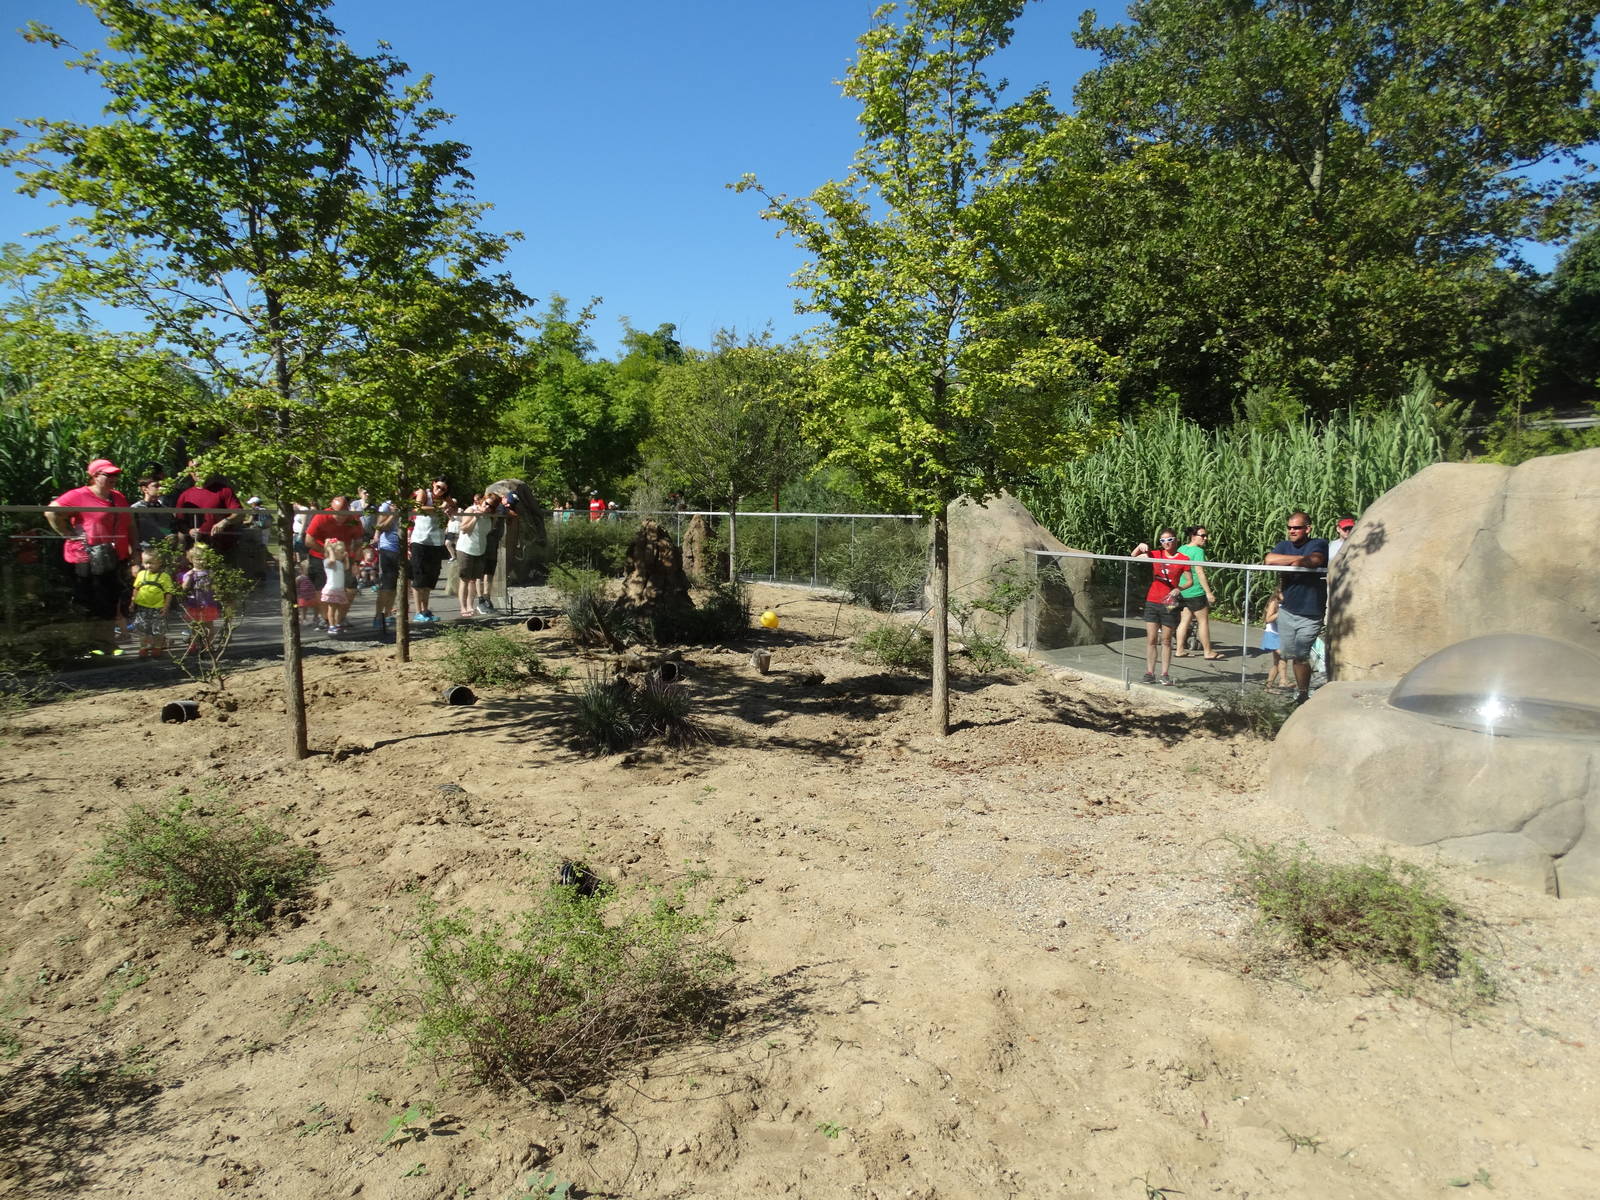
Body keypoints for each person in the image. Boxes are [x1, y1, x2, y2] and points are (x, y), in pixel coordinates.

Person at [45, 458, 136, 654]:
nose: (113, 478)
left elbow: (130, 525)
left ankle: (106, 644)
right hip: (86, 559)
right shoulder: (78, 495)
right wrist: (68, 534)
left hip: (113, 557)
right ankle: (88, 646)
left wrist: (133, 550)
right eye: (108, 475)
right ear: (94, 476)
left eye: (115, 475)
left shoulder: (118, 497)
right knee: (89, 602)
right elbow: (51, 512)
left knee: (111, 601)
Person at [1263, 510, 1330, 706]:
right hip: (1288, 610)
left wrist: (1294, 561)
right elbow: (1269, 559)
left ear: (1307, 528)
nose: (1292, 531)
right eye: (1290, 527)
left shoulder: (1318, 543)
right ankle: (1301, 694)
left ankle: (1303, 694)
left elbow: (1314, 561)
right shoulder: (1284, 545)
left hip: (1310, 611)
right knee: (1290, 654)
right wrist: (1296, 561)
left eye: (1297, 527)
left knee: (1301, 654)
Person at [1131, 528, 1189, 685]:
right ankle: (1149, 672)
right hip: (1153, 599)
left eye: (1169, 539)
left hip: (1170, 601)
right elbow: (1133, 556)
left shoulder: (1183, 558)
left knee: (1166, 639)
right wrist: (1140, 546)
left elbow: (1189, 581)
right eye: (1163, 540)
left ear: (1176, 540)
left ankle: (1165, 673)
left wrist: (1179, 589)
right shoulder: (1156, 554)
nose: (1166, 543)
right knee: (1151, 638)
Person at [1172, 525, 1223, 660]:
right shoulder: (1198, 551)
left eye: (1206, 535)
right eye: (1203, 536)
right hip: (1195, 591)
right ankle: (1208, 651)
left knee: (1185, 621)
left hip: (1183, 590)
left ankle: (1179, 649)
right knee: (1203, 622)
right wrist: (1208, 592)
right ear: (1193, 536)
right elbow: (1199, 572)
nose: (1206, 538)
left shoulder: (1182, 548)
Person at [408, 479, 454, 623]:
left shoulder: (443, 500)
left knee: (430, 578)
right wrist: (439, 508)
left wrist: (449, 505)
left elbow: (454, 506)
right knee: (418, 577)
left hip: (436, 542)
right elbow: (417, 508)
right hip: (420, 541)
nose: (440, 490)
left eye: (444, 489)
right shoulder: (424, 493)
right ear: (433, 483)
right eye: (439, 487)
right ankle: (418, 612)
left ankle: (425, 610)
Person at [175, 472, 244, 563]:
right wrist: (189, 531)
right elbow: (179, 522)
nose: (197, 472)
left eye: (200, 469)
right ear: (190, 473)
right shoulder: (185, 495)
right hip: (195, 551)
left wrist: (225, 521)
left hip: (223, 547)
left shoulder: (224, 490)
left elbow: (239, 513)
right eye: (193, 470)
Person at [303, 495, 364, 595]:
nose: (341, 517)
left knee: (351, 589)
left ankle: (340, 610)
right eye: (337, 514)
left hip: (343, 557)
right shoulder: (321, 517)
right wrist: (327, 552)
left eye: (344, 514)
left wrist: (355, 562)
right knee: (321, 589)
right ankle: (324, 610)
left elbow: (358, 542)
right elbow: (308, 540)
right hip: (320, 556)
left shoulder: (354, 520)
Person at [130, 547, 177, 658]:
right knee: (142, 630)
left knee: (158, 630)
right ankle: (143, 648)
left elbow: (169, 593)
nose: (148, 566)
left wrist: (166, 606)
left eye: (151, 563)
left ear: (159, 562)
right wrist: (132, 602)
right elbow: (136, 588)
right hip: (142, 608)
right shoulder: (141, 574)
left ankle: (157, 647)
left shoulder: (164, 577)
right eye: (146, 563)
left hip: (158, 608)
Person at [179, 543, 220, 654]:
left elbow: (215, 587)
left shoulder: (210, 572)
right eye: (198, 559)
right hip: (194, 604)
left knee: (209, 627)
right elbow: (184, 588)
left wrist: (215, 587)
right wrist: (189, 578)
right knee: (195, 627)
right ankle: (193, 645)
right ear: (191, 560)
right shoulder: (189, 573)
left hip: (208, 603)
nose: (201, 561)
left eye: (203, 559)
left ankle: (208, 644)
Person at [371, 496, 401, 632]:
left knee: (395, 585)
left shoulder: (410, 504)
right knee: (386, 585)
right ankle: (378, 615)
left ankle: (388, 613)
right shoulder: (386, 506)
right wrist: (393, 515)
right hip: (388, 548)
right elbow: (380, 526)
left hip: (403, 548)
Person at [130, 474, 178, 549]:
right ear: (145, 489)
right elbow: (131, 533)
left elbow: (171, 529)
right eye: (156, 486)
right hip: (144, 551)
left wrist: (172, 536)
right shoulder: (135, 509)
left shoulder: (165, 509)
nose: (161, 488)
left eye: (161, 486)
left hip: (164, 550)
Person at [320, 538, 352, 634]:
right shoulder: (327, 562)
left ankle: (337, 624)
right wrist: (330, 550)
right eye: (340, 552)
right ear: (333, 552)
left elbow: (347, 567)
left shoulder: (340, 563)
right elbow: (332, 560)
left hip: (339, 589)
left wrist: (346, 558)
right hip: (331, 589)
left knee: (339, 607)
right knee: (332, 609)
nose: (343, 553)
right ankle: (331, 626)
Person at [1259, 588, 1289, 691]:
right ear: (1278, 593)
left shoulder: (1288, 604)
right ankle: (1284, 681)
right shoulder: (1274, 603)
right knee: (1283, 656)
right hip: (1272, 634)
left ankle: (1268, 686)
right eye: (1283, 593)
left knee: (1276, 663)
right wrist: (1280, 612)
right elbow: (1268, 619)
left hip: (1281, 635)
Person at [294, 559, 318, 627]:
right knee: (303, 607)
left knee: (316, 606)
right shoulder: (299, 578)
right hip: (302, 596)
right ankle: (303, 618)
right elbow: (296, 585)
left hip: (313, 595)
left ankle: (315, 617)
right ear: (301, 570)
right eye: (307, 569)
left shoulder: (313, 577)